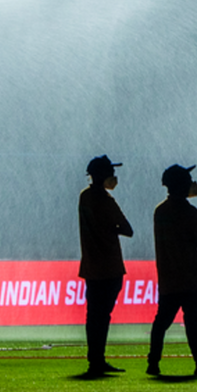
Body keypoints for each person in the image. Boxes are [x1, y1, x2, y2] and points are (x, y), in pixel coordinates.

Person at [146, 164, 197, 377]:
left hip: (169, 277)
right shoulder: (190, 212)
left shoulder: (160, 211)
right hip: (191, 277)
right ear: (183, 185)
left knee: (161, 322)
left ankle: (153, 362)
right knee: (193, 324)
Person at [78, 155, 133, 378]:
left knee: (93, 316)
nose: (114, 177)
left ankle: (95, 359)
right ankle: (98, 359)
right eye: (111, 173)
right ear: (103, 176)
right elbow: (127, 229)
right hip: (110, 267)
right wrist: (111, 229)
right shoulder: (106, 200)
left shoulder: (84, 197)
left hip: (91, 267)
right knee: (103, 316)